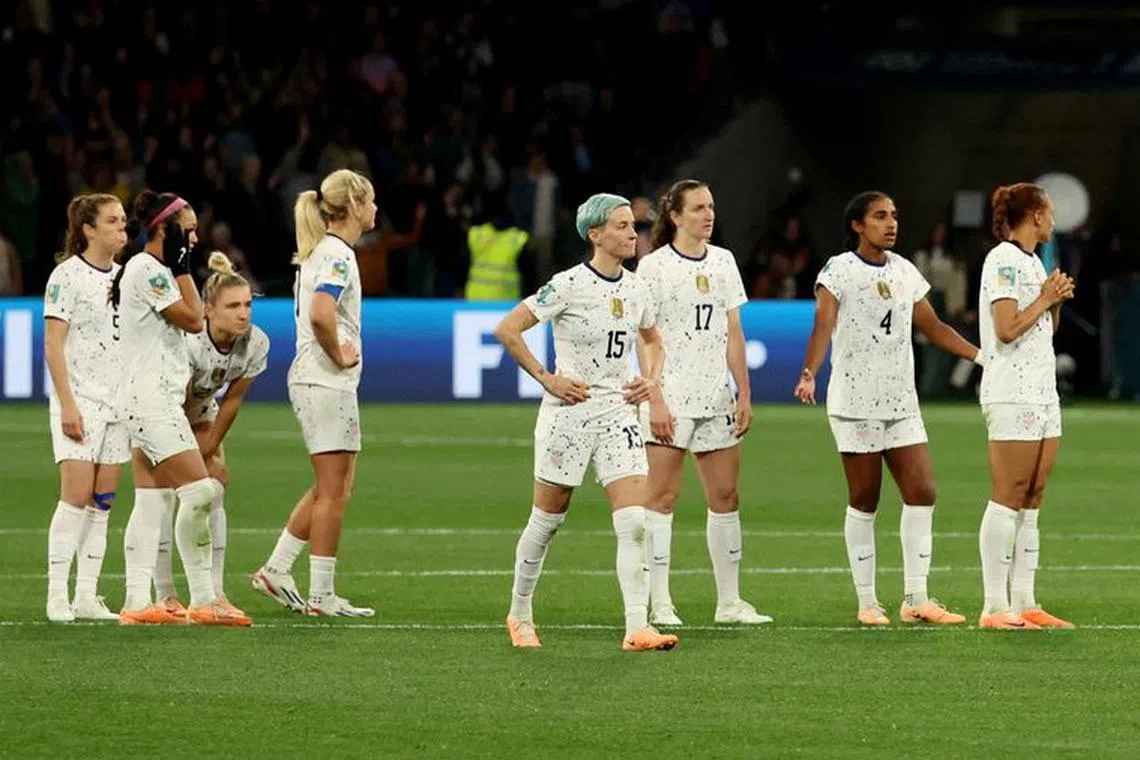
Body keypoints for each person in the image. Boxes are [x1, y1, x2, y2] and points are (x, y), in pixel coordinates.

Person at [493, 192, 678, 652]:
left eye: (632, 225)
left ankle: (637, 627)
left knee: (634, 519)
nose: (632, 232)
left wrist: (650, 380)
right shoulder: (567, 285)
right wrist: (547, 379)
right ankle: (519, 613)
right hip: (570, 415)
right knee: (547, 520)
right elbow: (508, 329)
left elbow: (654, 340)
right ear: (595, 234)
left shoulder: (638, 289)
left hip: (619, 412)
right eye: (621, 226)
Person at [794, 191, 982, 626]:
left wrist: (981, 357)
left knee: (922, 492)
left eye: (894, 216)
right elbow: (823, 325)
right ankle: (867, 602)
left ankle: (917, 597)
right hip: (856, 401)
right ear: (858, 225)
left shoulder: (904, 271)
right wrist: (809, 372)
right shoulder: (838, 270)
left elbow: (932, 326)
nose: (891, 223)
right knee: (865, 498)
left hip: (901, 401)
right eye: (880, 216)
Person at [633, 179, 771, 627]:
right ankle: (659, 602)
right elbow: (644, 337)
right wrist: (654, 397)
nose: (708, 215)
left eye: (711, 207)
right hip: (670, 397)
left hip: (716, 397)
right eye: (698, 208)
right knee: (662, 498)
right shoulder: (653, 268)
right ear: (674, 216)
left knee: (726, 496)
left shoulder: (725, 262)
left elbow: (733, 331)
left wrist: (743, 391)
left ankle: (729, 603)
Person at [112, 189, 251, 627]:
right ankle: (206, 598)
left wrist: (178, 266)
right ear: (162, 229)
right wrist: (181, 267)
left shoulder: (150, 269)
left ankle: (140, 602)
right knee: (202, 489)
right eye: (186, 230)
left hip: (151, 396)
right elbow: (195, 318)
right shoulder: (150, 268)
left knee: (153, 500)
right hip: (151, 399)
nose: (193, 239)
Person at [251, 169, 375, 617]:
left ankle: (277, 569)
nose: (376, 210)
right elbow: (323, 314)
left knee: (335, 486)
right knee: (334, 490)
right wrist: (339, 354)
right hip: (324, 379)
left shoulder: (323, 251)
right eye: (372, 201)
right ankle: (321, 595)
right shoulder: (338, 254)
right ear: (357, 204)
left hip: (319, 380)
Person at [976, 183, 1076, 630]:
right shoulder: (1001, 259)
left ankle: (1025, 601)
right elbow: (1006, 328)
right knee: (1008, 494)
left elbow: (1041, 329)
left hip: (1041, 390)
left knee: (1033, 496)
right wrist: (1045, 299)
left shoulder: (1034, 262)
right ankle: (994, 606)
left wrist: (1054, 302)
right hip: (1010, 390)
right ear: (1034, 214)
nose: (1054, 219)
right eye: (1050, 211)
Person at [151, 252, 269, 618]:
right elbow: (176, 399)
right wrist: (188, 448)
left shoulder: (256, 343)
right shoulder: (187, 341)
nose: (243, 314)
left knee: (215, 486)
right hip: (158, 408)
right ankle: (166, 594)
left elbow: (232, 399)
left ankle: (214, 592)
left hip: (201, 410)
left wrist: (211, 443)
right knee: (167, 497)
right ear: (207, 310)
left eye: (248, 305)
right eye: (233, 306)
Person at [43, 194, 129, 623]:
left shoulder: (126, 277)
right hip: (81, 400)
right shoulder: (67, 277)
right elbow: (53, 344)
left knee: (102, 501)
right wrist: (67, 405)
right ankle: (57, 594)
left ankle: (87, 596)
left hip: (118, 405)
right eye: (112, 221)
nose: (122, 227)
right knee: (75, 496)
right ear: (88, 230)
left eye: (123, 220)